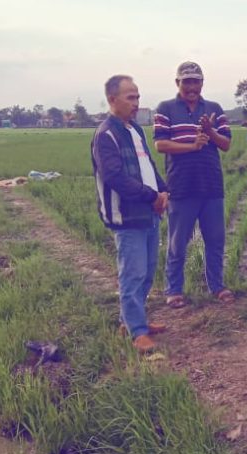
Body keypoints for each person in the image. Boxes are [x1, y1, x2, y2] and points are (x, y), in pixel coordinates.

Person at [91, 74, 169, 353]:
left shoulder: (135, 130)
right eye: (130, 97)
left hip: (149, 212)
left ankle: (132, 321)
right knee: (133, 274)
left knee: (147, 272)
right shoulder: (106, 135)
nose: (136, 103)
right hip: (127, 216)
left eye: (137, 97)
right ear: (112, 100)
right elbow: (115, 177)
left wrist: (163, 190)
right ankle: (137, 332)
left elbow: (148, 167)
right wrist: (151, 196)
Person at [153, 61, 234, 308]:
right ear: (177, 83)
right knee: (178, 242)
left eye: (195, 82)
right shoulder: (165, 108)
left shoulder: (214, 108)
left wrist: (210, 131)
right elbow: (160, 144)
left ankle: (217, 286)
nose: (191, 87)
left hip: (211, 185)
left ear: (202, 83)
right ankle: (174, 290)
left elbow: (226, 144)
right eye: (186, 81)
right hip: (181, 186)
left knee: (215, 240)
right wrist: (192, 146)